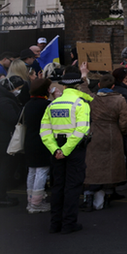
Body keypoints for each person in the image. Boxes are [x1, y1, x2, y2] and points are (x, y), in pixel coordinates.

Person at [40, 67, 90, 233]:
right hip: (73, 149)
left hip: (56, 149)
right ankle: (69, 224)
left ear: (64, 87)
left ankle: (55, 224)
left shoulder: (53, 104)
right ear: (77, 86)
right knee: (72, 187)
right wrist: (66, 150)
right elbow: (81, 130)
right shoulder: (80, 104)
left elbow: (45, 131)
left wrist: (56, 150)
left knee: (57, 186)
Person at [82, 74, 127, 211]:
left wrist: (84, 76)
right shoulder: (119, 99)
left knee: (92, 165)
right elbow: (124, 121)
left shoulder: (93, 98)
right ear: (113, 86)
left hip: (94, 132)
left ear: (99, 85)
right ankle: (108, 196)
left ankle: (89, 198)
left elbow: (84, 91)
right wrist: (122, 132)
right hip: (112, 133)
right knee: (111, 166)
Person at [23, 78, 52, 213]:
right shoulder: (46, 105)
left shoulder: (28, 104)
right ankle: (37, 203)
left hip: (29, 140)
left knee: (32, 171)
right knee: (42, 171)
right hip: (42, 141)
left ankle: (31, 200)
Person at [0, 73, 25, 207]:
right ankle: (2, 196)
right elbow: (13, 119)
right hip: (5, 139)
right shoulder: (6, 102)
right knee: (5, 169)